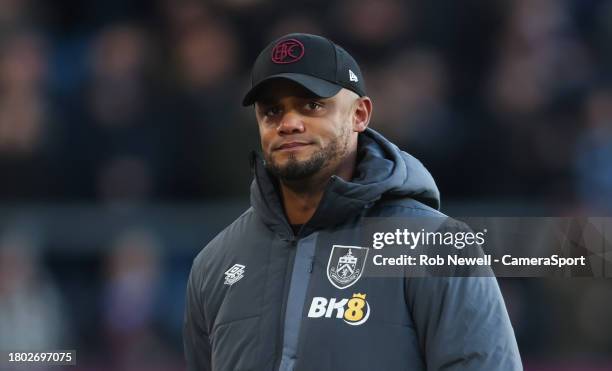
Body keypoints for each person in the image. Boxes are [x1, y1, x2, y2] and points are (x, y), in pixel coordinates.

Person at [183, 33, 522, 371]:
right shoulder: (214, 264)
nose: (288, 123)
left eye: (311, 104)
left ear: (360, 114)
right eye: (271, 111)